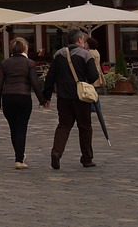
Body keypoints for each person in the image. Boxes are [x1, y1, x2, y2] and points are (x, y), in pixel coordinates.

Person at [42, 28, 98, 169]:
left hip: (63, 97)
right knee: (85, 127)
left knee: (64, 125)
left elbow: (50, 77)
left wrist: (46, 96)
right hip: (81, 97)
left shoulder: (58, 54)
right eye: (83, 40)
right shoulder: (85, 55)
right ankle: (87, 158)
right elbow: (93, 76)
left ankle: (56, 152)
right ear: (79, 40)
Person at [0, 37, 47, 169]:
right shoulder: (29, 63)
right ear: (25, 48)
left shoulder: (5, 63)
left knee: (13, 128)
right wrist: (42, 100)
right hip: (23, 97)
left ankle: (19, 154)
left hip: (8, 98)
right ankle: (19, 158)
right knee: (21, 128)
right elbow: (34, 83)